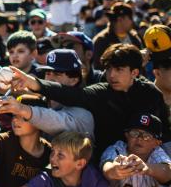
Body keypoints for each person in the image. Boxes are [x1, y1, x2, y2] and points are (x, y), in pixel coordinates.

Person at [10, 43, 170, 162]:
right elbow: (72, 94)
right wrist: (34, 83)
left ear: (134, 72)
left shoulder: (151, 94)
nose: (112, 75)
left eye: (119, 69)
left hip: (148, 162)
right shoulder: (101, 91)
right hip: (107, 164)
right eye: (108, 69)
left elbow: (165, 132)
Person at [0, 49, 95, 139]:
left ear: (74, 79)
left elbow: (56, 121)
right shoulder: (43, 100)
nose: (50, 79)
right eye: (48, 73)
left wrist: (22, 109)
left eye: (57, 74)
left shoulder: (84, 114)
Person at [101, 113, 171, 187]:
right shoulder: (117, 149)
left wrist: (148, 168)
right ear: (126, 135)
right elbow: (106, 167)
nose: (139, 138)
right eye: (135, 133)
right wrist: (114, 170)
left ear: (157, 143)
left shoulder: (157, 153)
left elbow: (168, 172)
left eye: (147, 135)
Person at [92, 3, 143, 69]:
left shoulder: (134, 37)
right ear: (120, 19)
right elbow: (98, 69)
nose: (132, 22)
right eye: (130, 18)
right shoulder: (101, 40)